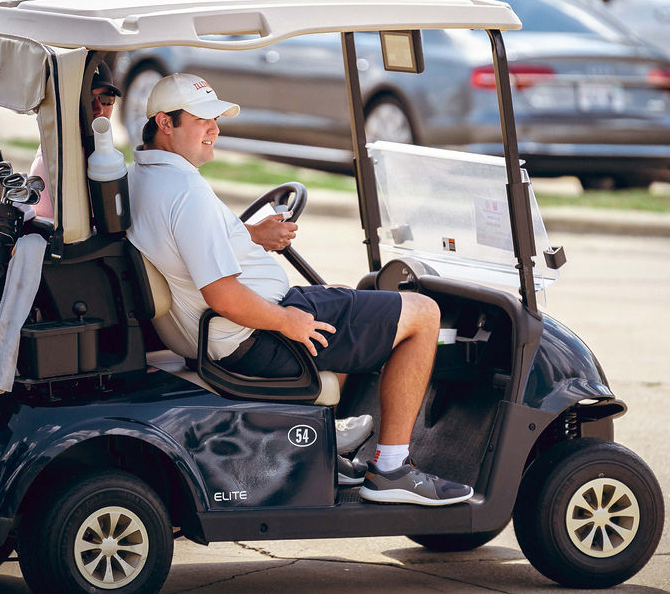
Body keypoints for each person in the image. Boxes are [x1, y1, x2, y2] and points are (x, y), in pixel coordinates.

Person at [127, 73, 472, 507]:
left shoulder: (143, 175)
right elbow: (224, 297)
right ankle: (391, 470)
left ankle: (323, 447)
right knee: (422, 313)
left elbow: (189, 242)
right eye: (201, 120)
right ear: (165, 122)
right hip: (251, 336)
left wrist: (249, 235)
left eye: (216, 119)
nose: (214, 129)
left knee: (341, 295)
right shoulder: (186, 192)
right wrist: (286, 322)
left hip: (222, 332)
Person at [29, 63, 123, 219]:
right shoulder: (54, 159)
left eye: (106, 99)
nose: (99, 109)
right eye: (88, 98)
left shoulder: (101, 154)